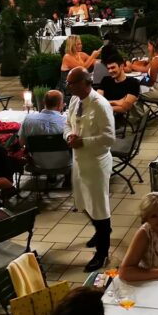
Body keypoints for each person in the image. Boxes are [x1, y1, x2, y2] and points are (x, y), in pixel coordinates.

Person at [64, 68, 116, 272]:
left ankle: (102, 253)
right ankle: (102, 229)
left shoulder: (100, 105)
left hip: (96, 163)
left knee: (98, 206)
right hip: (78, 160)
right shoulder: (74, 100)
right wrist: (69, 136)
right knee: (83, 201)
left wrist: (83, 142)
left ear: (84, 83)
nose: (68, 86)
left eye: (71, 83)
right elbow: (67, 123)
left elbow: (109, 138)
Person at [18, 89, 69, 173]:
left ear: (43, 102)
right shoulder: (68, 121)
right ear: (60, 104)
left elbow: (21, 143)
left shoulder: (28, 120)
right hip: (64, 164)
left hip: (37, 164)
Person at [128, 35, 158, 102]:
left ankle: (137, 109)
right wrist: (132, 66)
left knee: (131, 90)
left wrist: (141, 81)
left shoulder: (156, 60)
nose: (148, 48)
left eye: (149, 46)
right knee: (135, 85)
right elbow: (147, 69)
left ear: (153, 47)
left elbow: (151, 81)